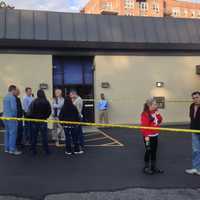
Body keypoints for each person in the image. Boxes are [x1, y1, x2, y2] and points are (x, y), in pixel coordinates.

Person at [140, 98, 164, 175]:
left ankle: (153, 167)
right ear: (149, 105)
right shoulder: (145, 114)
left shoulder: (155, 112)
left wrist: (158, 114)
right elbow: (144, 127)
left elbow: (160, 121)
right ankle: (146, 168)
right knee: (148, 150)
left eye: (156, 104)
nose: (156, 105)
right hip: (147, 136)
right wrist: (146, 137)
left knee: (154, 151)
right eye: (154, 104)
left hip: (155, 135)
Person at [28, 89, 51, 155]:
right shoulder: (46, 101)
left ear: (37, 94)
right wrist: (45, 117)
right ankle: (46, 150)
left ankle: (33, 150)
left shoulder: (34, 101)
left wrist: (32, 117)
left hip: (34, 121)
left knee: (34, 136)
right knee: (44, 136)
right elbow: (49, 111)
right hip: (43, 121)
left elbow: (30, 111)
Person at [3, 85, 22, 155]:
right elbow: (14, 109)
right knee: (12, 134)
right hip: (11, 118)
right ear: (13, 90)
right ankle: (12, 150)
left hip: (4, 117)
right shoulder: (12, 97)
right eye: (15, 90)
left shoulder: (5, 97)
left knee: (7, 133)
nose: (16, 92)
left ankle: (6, 149)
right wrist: (15, 117)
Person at [185, 91, 200, 176]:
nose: (195, 99)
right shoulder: (191, 106)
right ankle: (196, 169)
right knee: (196, 151)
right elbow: (192, 118)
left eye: (197, 97)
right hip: (194, 131)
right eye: (193, 98)